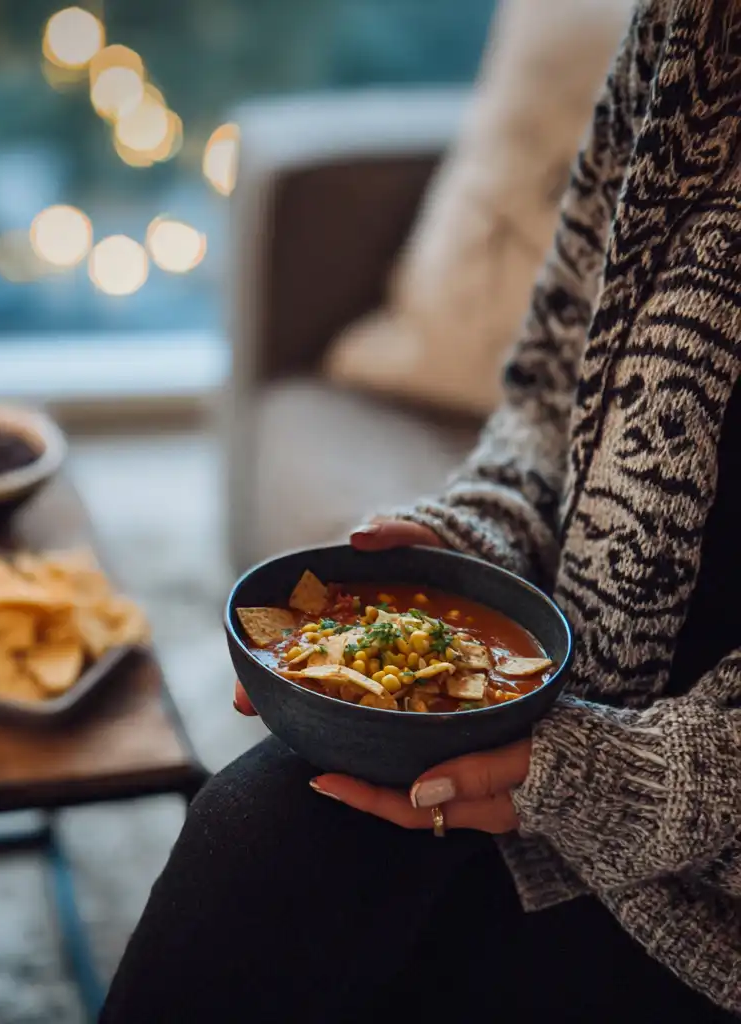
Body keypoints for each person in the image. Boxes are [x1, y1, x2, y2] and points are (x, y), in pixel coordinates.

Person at [101, 0, 741, 1019]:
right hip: (540, 746)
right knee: (252, 837)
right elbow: (545, 397)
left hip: (712, 904)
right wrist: (466, 542)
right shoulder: (688, 30)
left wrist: (610, 781)